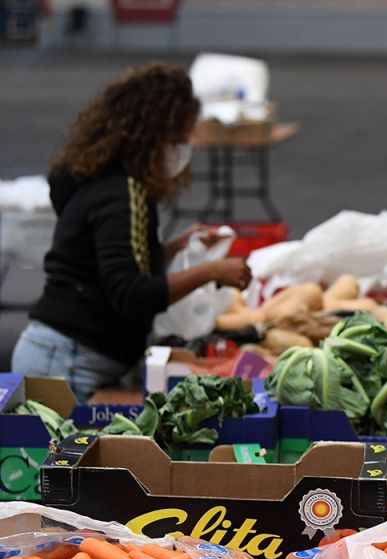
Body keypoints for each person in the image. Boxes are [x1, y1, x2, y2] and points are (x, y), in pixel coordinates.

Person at [11, 63, 251, 400]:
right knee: (56, 453)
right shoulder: (121, 196)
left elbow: (110, 263)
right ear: (153, 134)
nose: (184, 149)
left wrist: (174, 248)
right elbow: (132, 294)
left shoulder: (102, 180)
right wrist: (211, 271)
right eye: (180, 138)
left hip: (60, 354)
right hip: (64, 364)